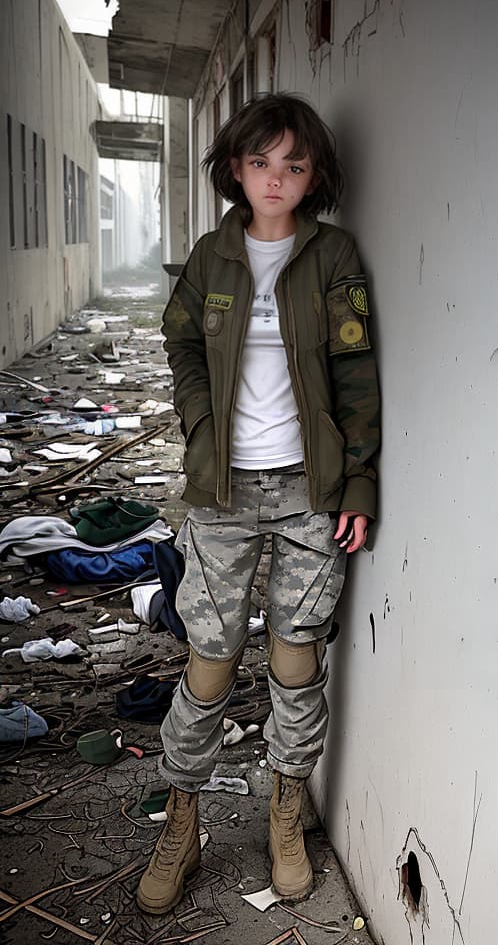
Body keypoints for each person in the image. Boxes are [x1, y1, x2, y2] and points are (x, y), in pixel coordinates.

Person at [136, 92, 380, 915]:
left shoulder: (335, 256)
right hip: (223, 488)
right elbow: (181, 342)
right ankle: (184, 820)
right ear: (235, 169)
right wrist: (200, 421)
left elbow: (356, 380)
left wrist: (360, 481)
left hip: (311, 490)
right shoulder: (212, 257)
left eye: (295, 164)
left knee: (295, 651)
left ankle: (285, 810)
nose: (277, 178)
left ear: (315, 176)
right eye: (261, 162)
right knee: (209, 653)